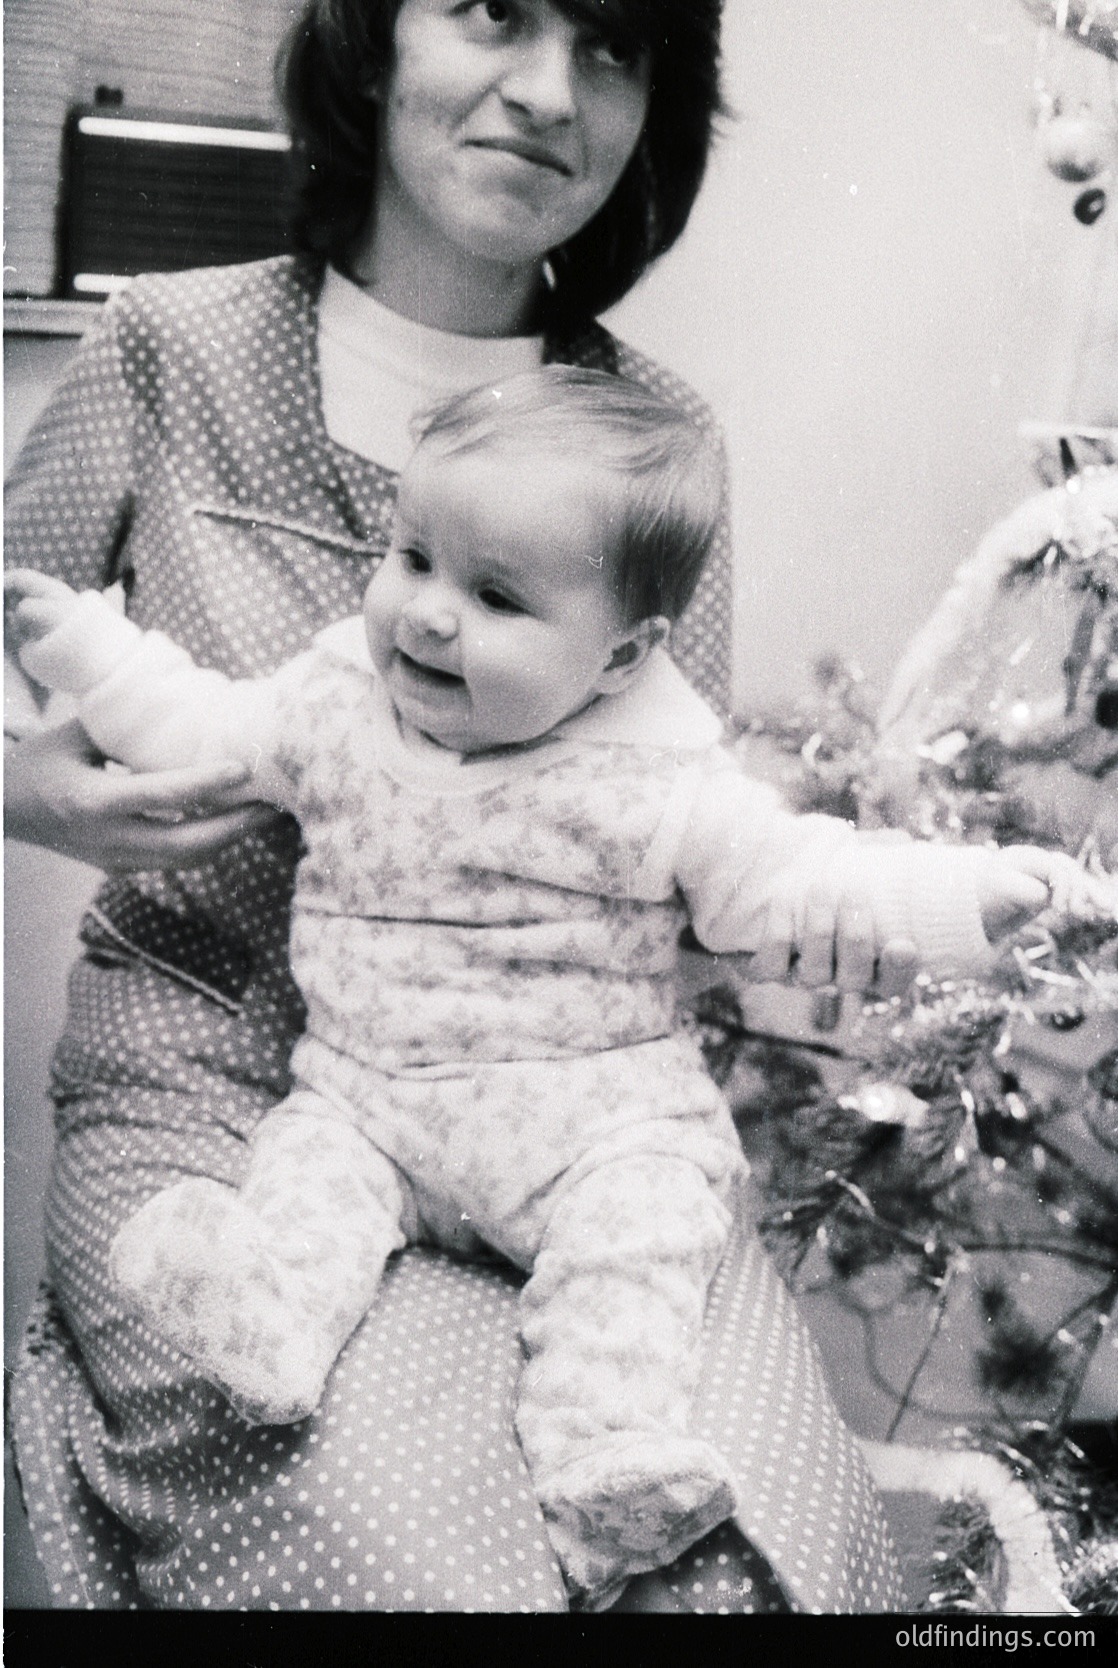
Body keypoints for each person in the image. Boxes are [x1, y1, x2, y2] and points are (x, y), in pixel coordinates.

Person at [2, 0, 885, 1615]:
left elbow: (672, 841)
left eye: (614, 48)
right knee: (419, 1555)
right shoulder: (170, 347)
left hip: (565, 1120)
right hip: (209, 1086)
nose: (550, 93)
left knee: (733, 1555)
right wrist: (20, 787)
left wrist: (824, 916)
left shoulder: (654, 446)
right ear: (371, 37)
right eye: (492, 11)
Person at [9, 367, 1103, 1611]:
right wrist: (92, 653)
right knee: (301, 1190)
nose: (425, 616)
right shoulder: (331, 709)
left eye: (494, 598)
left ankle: (603, 1461)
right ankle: (266, 1328)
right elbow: (194, 727)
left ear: (618, 655)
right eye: (412, 558)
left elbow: (806, 883)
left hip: (587, 1124)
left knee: (636, 1242)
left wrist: (963, 901)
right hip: (367, 1102)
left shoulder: (654, 786)